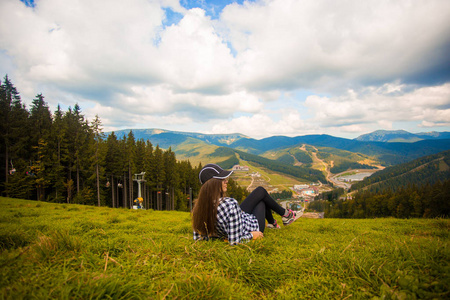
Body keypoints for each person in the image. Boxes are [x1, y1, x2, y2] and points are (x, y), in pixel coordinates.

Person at [192, 164, 298, 245]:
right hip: (252, 227)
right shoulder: (229, 204)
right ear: (213, 184)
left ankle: (275, 222)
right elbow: (235, 241)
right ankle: (282, 217)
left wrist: (220, 237)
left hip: (238, 219)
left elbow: (198, 238)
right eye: (223, 179)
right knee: (261, 198)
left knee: (260, 193)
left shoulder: (199, 208)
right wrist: (252, 235)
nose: (226, 181)